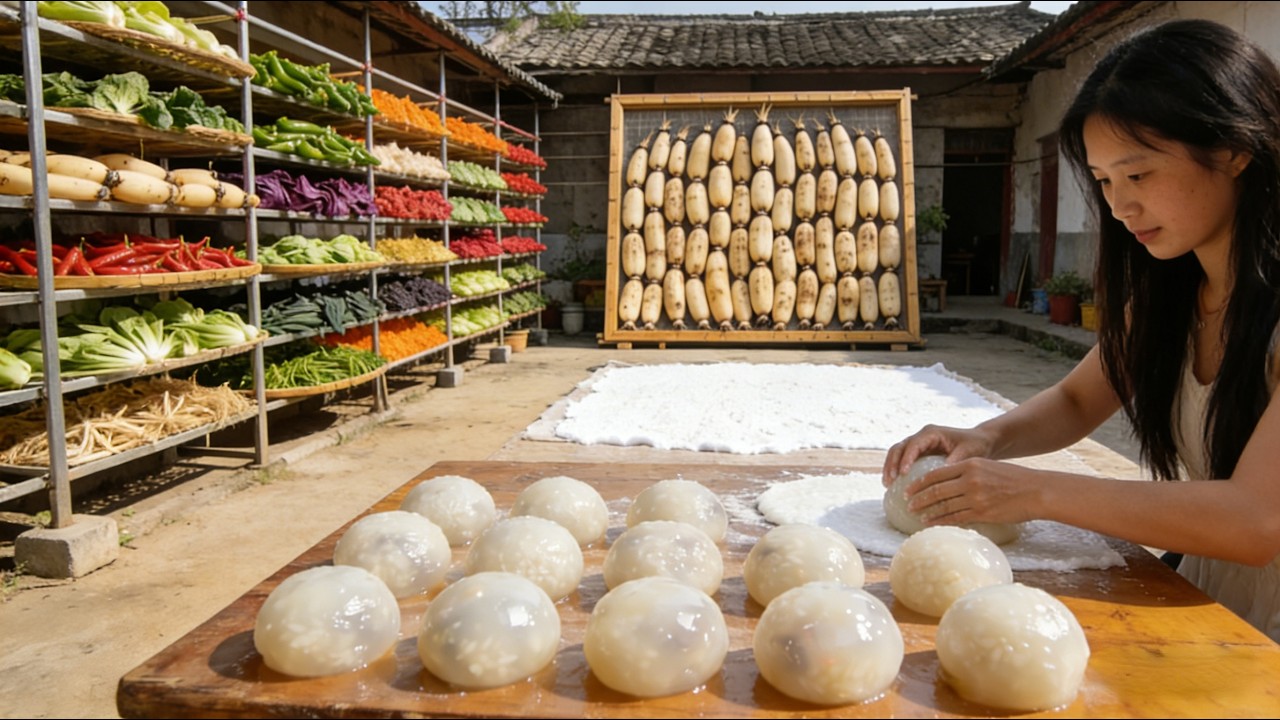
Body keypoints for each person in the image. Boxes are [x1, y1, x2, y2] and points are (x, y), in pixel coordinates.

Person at [882, 17, 1280, 643]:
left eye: (1139, 174)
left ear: (1233, 149)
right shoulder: (1171, 297)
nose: (1120, 205)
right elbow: (1074, 400)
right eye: (1104, 181)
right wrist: (984, 439)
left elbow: (1257, 520)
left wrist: (1033, 491)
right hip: (1213, 606)